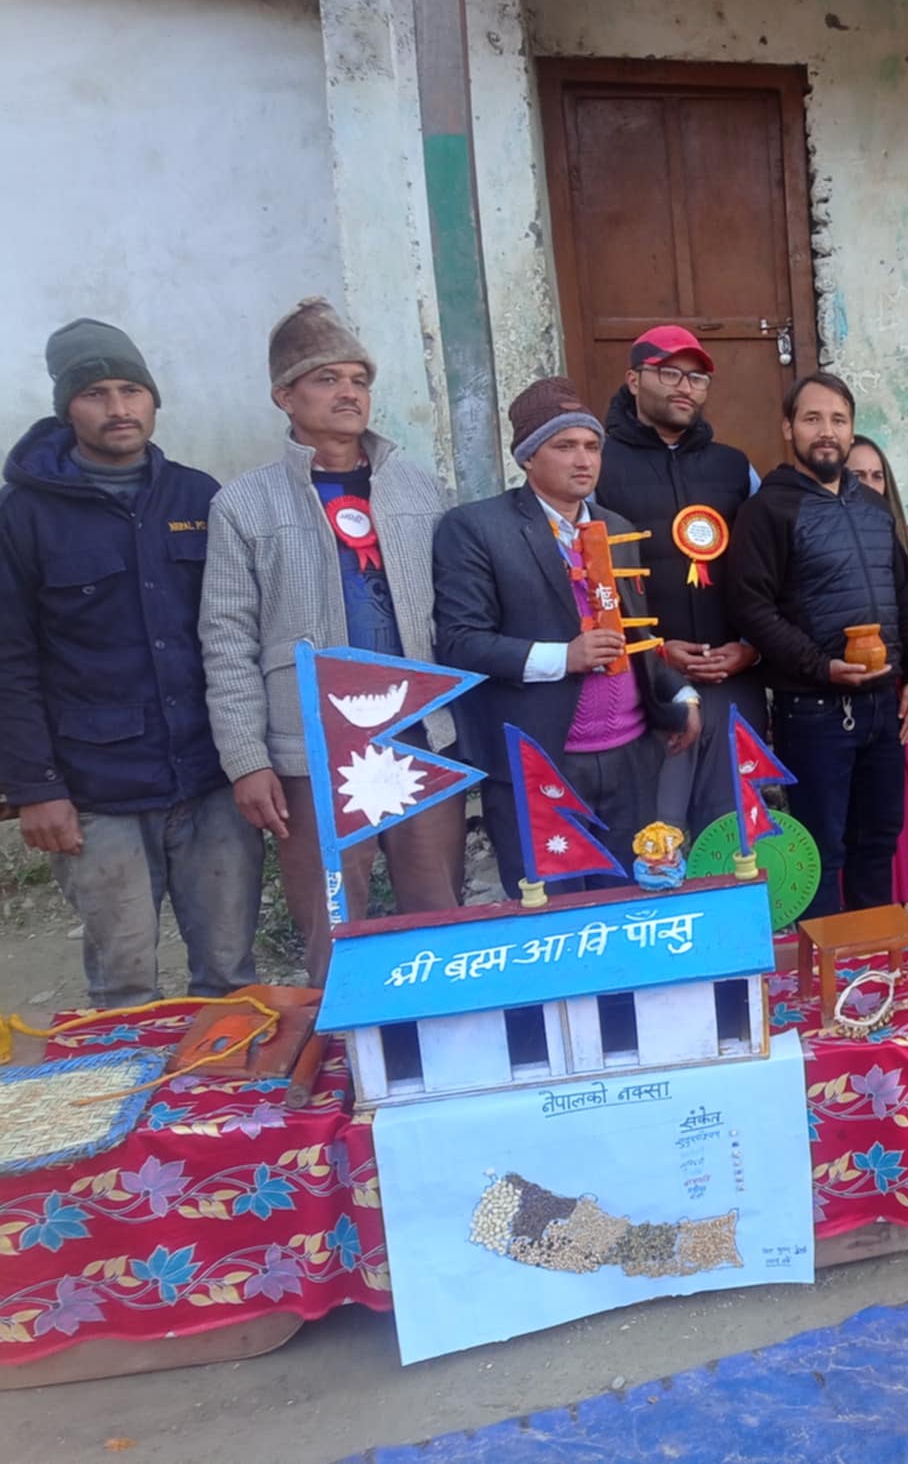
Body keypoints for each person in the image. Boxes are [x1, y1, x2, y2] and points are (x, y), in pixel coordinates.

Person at [201, 298, 464, 982]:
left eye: (359, 379)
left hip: (417, 731)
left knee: (438, 908)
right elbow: (225, 638)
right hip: (313, 743)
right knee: (331, 921)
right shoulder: (245, 504)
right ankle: (344, 1053)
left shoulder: (416, 487)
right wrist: (246, 758)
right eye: (326, 379)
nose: (349, 392)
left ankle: (441, 1051)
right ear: (284, 395)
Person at [0, 321, 261, 1008]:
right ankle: (131, 1112)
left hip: (210, 775)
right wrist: (35, 786)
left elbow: (241, 632)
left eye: (132, 390)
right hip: (97, 789)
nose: (118, 408)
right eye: (95, 393)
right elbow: (9, 659)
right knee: (124, 985)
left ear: (154, 401)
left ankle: (224, 1118)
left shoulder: (199, 497)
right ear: (66, 409)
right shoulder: (22, 517)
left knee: (231, 978)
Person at [434, 378, 698, 897]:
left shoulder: (616, 528)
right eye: (565, 446)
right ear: (527, 458)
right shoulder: (477, 528)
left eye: (592, 446)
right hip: (540, 764)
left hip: (631, 756)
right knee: (554, 920)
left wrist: (680, 694)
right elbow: (460, 641)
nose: (583, 460)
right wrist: (564, 657)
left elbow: (639, 635)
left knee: (630, 905)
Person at [726, 375, 908, 918]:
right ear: (788, 427)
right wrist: (821, 666)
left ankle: (873, 960)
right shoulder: (768, 510)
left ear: (852, 429)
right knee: (822, 848)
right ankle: (823, 976)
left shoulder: (871, 507)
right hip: (814, 710)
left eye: (838, 420)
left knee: (879, 839)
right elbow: (752, 608)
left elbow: (905, 595)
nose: (827, 432)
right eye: (813, 419)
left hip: (882, 706)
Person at [595, 325, 764, 838]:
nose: (684, 387)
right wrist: (651, 651)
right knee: (655, 839)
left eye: (697, 378)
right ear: (633, 379)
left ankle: (736, 922)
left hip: (734, 677)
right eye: (669, 373)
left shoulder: (734, 467)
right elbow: (581, 578)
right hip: (640, 684)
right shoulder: (596, 463)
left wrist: (752, 647)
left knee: (734, 832)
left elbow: (772, 568)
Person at [847, 436, 908, 903]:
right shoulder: (815, 532)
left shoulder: (907, 541)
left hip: (900, 696)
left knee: (895, 810)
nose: (867, 484)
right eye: (856, 475)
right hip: (840, 697)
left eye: (876, 475)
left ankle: (899, 907)